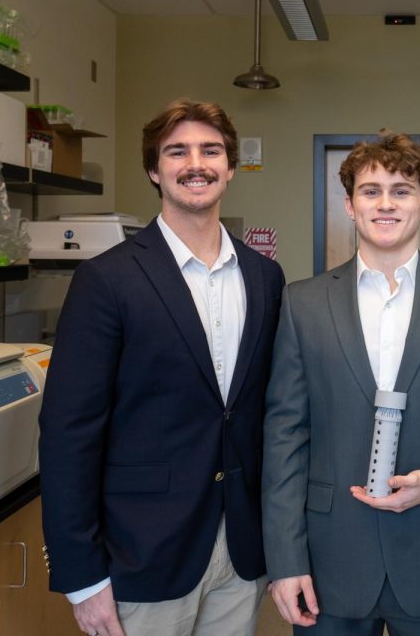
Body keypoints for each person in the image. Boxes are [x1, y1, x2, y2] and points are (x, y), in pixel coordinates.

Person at [38, 98, 285, 636]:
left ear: (230, 167)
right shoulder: (107, 280)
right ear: (155, 169)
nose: (196, 163)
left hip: (241, 551)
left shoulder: (265, 278)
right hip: (141, 553)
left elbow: (266, 412)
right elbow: (67, 433)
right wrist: (82, 577)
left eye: (211, 150)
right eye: (178, 151)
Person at [262, 131, 420, 635]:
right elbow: (284, 436)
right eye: (370, 190)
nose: (385, 203)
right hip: (329, 562)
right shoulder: (303, 303)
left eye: (401, 191)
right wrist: (285, 558)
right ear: (349, 204)